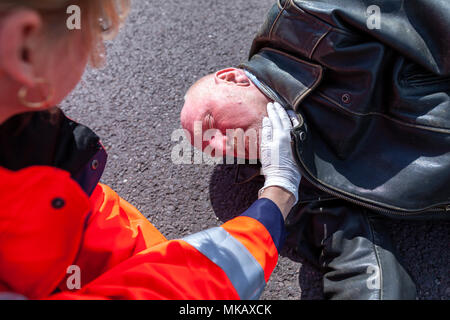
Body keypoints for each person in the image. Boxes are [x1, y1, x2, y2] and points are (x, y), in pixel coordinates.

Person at [0, 0, 302, 300]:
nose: (98, 56)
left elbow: (95, 234)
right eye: (95, 31)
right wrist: (277, 196)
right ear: (24, 46)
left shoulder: (36, 163)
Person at [181, 0, 450, 299]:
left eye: (212, 123)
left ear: (232, 78)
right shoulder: (290, 186)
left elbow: (432, 15)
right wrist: (283, 188)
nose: (223, 142)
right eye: (214, 149)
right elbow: (359, 261)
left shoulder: (306, 18)